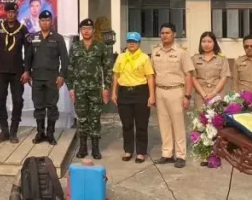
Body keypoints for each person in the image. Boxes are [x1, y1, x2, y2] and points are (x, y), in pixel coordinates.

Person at [150, 22, 195, 169]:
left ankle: (180, 155)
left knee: (178, 124)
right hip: (160, 90)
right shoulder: (155, 51)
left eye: (167, 33)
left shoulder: (181, 52)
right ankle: (167, 153)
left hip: (176, 91)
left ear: (174, 34)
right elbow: (152, 74)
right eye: (162, 33)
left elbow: (188, 75)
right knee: (163, 124)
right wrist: (152, 94)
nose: (164, 35)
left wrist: (187, 96)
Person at [67, 18, 112, 159]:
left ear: (93, 30)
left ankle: (95, 148)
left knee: (95, 118)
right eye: (83, 29)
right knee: (82, 118)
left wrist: (107, 87)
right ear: (80, 31)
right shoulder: (75, 47)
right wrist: (70, 88)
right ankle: (83, 147)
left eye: (89, 29)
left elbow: (107, 68)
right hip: (79, 89)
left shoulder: (101, 47)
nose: (86, 31)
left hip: (95, 89)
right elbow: (70, 67)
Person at [24, 10, 69, 145]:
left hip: (52, 78)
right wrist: (27, 72)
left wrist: (62, 75)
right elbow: (28, 57)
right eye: (43, 20)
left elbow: (65, 58)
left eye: (48, 20)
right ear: (39, 22)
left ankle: (50, 133)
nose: (45, 23)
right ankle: (40, 133)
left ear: (51, 22)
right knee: (38, 106)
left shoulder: (58, 38)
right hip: (37, 78)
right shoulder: (33, 37)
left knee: (52, 106)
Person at [0, 1, 30, 143]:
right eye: (9, 12)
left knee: (17, 101)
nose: (11, 14)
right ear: (5, 13)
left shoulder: (22, 29)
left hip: (17, 71)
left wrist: (27, 70)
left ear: (16, 13)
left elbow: (29, 51)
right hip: (1, 70)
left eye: (13, 12)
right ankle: (4, 130)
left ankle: (13, 131)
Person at [112, 32, 155, 163]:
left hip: (140, 92)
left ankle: (141, 152)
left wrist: (152, 95)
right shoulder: (121, 57)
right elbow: (116, 75)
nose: (132, 43)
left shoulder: (144, 58)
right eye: (130, 41)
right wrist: (114, 92)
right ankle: (128, 150)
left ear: (139, 43)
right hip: (124, 93)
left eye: (134, 41)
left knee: (141, 124)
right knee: (127, 124)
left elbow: (150, 77)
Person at [191, 31, 231, 109]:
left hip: (217, 94)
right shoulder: (194, 58)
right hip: (200, 95)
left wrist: (213, 93)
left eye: (209, 42)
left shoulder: (222, 59)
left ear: (214, 43)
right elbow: (193, 78)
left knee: (217, 116)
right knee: (200, 116)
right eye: (203, 42)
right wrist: (203, 94)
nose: (206, 44)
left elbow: (223, 78)